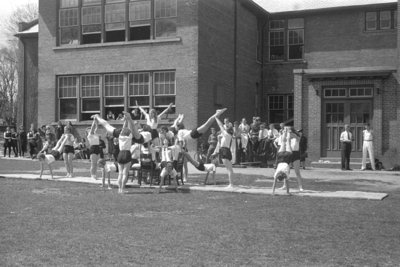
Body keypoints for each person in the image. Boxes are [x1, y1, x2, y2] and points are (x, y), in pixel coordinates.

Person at [93, 112, 143, 193]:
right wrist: (129, 119)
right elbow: (131, 128)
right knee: (125, 173)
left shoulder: (120, 136)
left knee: (120, 173)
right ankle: (122, 189)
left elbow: (124, 129)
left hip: (120, 154)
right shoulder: (130, 136)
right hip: (127, 154)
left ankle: (119, 189)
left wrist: (125, 121)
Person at [278, 127, 304, 192]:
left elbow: (297, 137)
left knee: (297, 172)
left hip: (296, 154)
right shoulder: (286, 137)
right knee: (286, 171)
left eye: (290, 131)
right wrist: (285, 132)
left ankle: (300, 187)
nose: (288, 132)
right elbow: (283, 141)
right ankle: (284, 185)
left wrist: (292, 133)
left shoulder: (297, 136)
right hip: (288, 154)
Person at [211, 115, 234, 188]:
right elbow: (220, 143)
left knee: (228, 169)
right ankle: (231, 184)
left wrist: (216, 118)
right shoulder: (227, 135)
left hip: (224, 151)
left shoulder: (226, 134)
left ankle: (231, 184)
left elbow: (220, 125)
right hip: (227, 150)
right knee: (230, 169)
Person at [272, 129, 292, 195]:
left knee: (288, 142)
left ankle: (288, 131)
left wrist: (288, 192)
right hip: (280, 157)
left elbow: (287, 184)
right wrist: (272, 192)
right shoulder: (276, 174)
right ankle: (284, 132)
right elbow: (274, 184)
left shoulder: (286, 174)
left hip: (287, 158)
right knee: (283, 142)